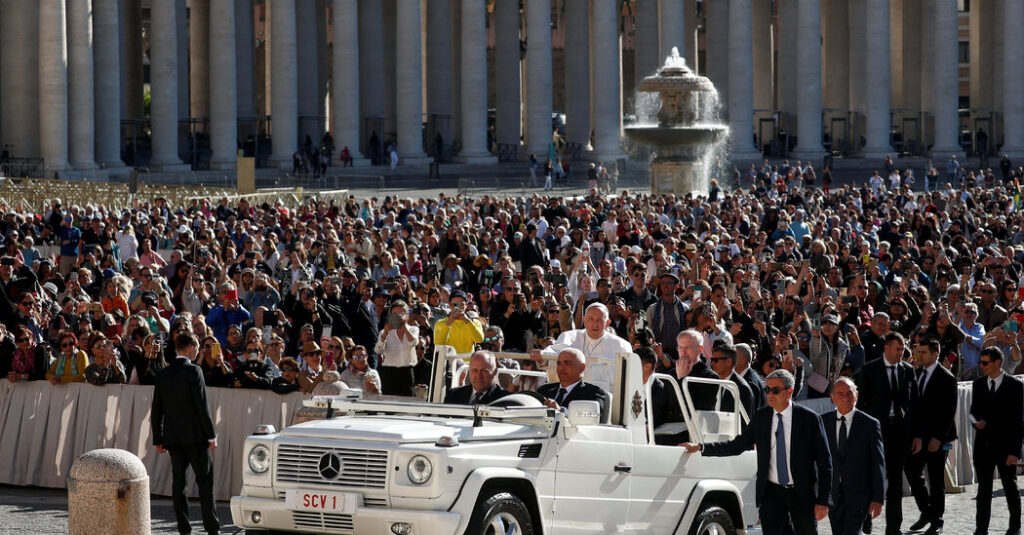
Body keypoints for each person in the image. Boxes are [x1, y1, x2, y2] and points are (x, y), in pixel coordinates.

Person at [680, 369, 832, 535]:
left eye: (775, 390)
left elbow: (825, 462)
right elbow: (738, 445)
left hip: (802, 493)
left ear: (789, 392)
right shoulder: (762, 417)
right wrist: (702, 447)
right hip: (772, 493)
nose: (770, 394)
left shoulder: (809, 419)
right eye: (767, 390)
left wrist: (823, 501)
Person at [151, 332, 220, 535]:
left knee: (179, 484)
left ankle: (184, 529)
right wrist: (211, 435)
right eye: (197, 346)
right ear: (190, 347)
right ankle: (212, 529)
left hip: (173, 438)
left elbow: (157, 409)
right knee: (205, 484)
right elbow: (202, 406)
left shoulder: (163, 374)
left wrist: (158, 437)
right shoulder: (194, 371)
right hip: (196, 437)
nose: (198, 350)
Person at [855, 331, 918, 534]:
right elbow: (861, 403)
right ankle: (866, 518)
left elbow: (914, 404)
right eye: (898, 349)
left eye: (902, 349)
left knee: (896, 481)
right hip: (875, 432)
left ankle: (894, 527)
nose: (901, 353)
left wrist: (916, 434)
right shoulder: (870, 369)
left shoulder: (908, 371)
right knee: (870, 477)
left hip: (899, 432)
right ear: (887, 348)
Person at [905, 338, 958, 535]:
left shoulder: (946, 377)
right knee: (911, 470)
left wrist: (938, 437)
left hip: (937, 437)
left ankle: (937, 519)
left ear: (935, 353)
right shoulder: (916, 373)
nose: (920, 355)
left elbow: (948, 410)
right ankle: (926, 510)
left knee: (936, 479)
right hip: (918, 436)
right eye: (919, 351)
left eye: (924, 352)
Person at [821, 377, 885, 535]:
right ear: (832, 397)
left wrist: (878, 498)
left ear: (856, 396)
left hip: (859, 495)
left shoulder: (869, 424)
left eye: (849, 393)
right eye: (840, 393)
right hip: (832, 494)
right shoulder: (823, 422)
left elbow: (878, 464)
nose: (845, 397)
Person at [971, 347, 1024, 535]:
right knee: (983, 490)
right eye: (980, 362)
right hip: (983, 447)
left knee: (1010, 487)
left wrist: (1015, 452)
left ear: (997, 363)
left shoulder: (1015, 386)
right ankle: (981, 529)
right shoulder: (978, 384)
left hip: (1005, 447)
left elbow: (1019, 421)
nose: (981, 366)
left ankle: (1015, 527)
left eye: (985, 363)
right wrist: (976, 422)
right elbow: (973, 411)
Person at [530, 303, 632, 394]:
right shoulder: (570, 337)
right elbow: (553, 353)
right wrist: (541, 356)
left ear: (608, 323)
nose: (595, 324)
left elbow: (628, 378)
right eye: (591, 319)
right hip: (573, 395)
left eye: (599, 320)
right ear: (584, 320)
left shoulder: (621, 345)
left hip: (605, 397)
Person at [536, 348, 611, 423]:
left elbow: (592, 416)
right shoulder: (544, 389)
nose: (561, 368)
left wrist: (561, 411)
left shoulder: (593, 392)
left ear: (582, 368)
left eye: (567, 363)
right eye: (559, 363)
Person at [375, 300, 419, 396]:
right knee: (389, 404)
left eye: (401, 313)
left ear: (407, 315)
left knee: (406, 404)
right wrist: (385, 334)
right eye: (395, 314)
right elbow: (378, 350)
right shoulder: (384, 332)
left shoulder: (414, 329)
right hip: (389, 372)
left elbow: (413, 342)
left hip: (406, 371)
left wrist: (404, 327)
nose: (398, 316)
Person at [443, 350, 509, 405]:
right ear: (469, 371)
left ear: (495, 372)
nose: (479, 376)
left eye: (484, 371)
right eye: (475, 370)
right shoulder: (453, 395)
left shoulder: (505, 399)